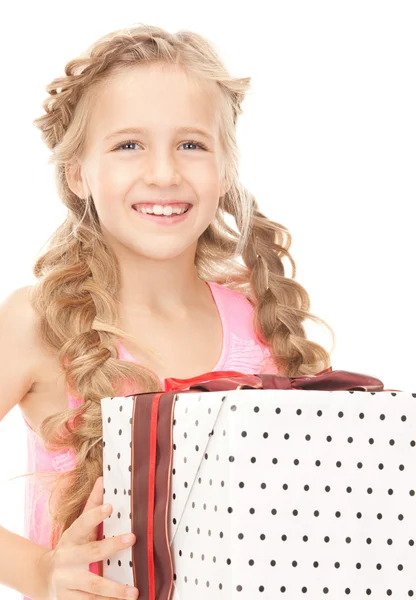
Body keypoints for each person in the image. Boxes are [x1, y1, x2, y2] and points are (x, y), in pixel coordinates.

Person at [0, 23, 335, 600]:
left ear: (225, 169)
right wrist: (39, 573)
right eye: (129, 144)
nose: (164, 173)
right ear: (78, 173)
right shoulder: (39, 323)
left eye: (192, 144)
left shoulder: (260, 321)